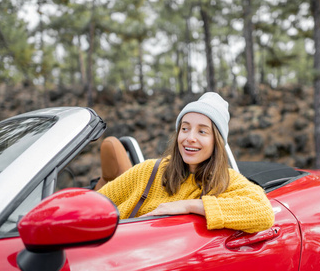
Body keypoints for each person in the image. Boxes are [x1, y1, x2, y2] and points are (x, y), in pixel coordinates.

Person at [97, 92, 274, 233]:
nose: (190, 138)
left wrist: (189, 205)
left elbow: (263, 212)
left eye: (202, 132)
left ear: (216, 142)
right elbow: (96, 204)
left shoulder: (225, 181)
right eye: (185, 128)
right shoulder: (150, 170)